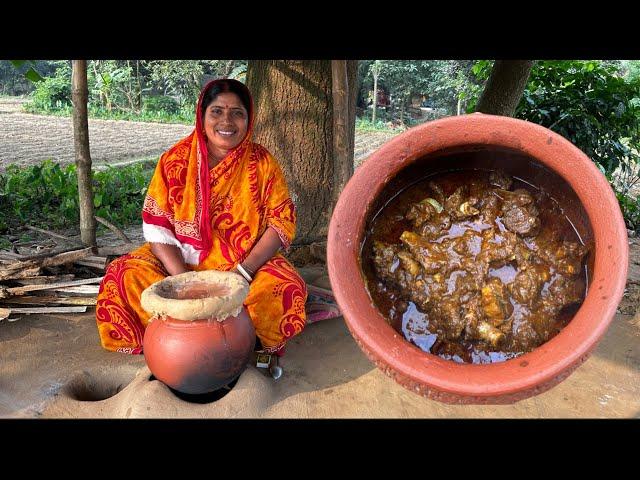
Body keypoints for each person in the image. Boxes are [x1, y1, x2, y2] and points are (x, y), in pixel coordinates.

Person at [95, 78, 308, 370]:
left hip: (242, 264)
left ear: (249, 119)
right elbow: (157, 226)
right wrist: (184, 282)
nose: (227, 121)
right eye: (217, 111)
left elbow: (281, 222)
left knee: (283, 287)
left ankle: (247, 345)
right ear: (202, 115)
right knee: (123, 276)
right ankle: (166, 344)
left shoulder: (263, 163)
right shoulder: (175, 160)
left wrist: (243, 273)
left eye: (237, 113)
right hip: (178, 263)